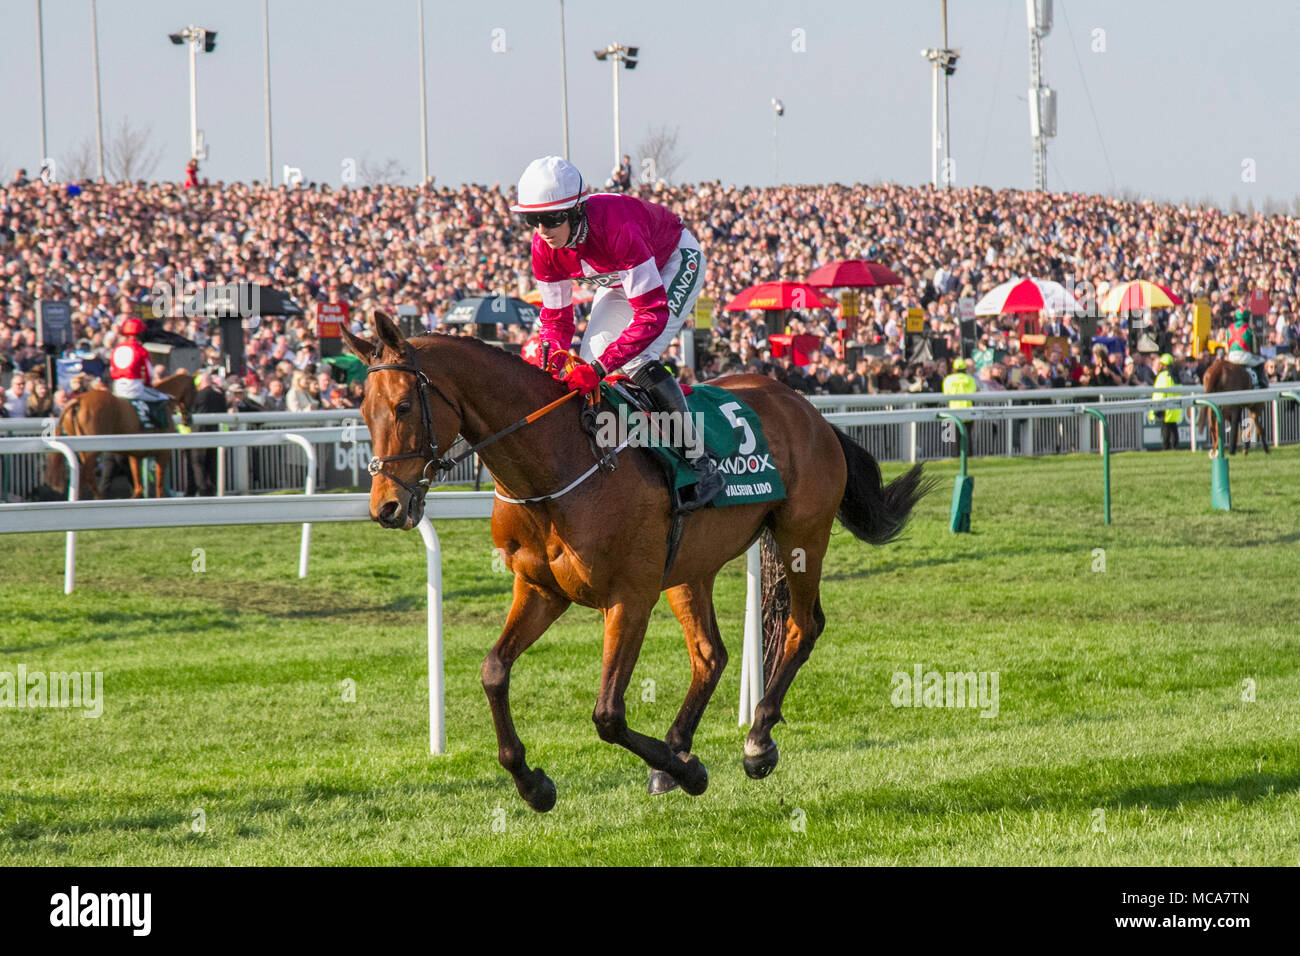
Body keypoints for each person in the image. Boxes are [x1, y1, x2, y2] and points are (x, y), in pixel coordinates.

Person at [512, 155, 723, 510]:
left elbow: (652, 314)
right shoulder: (543, 249)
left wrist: (597, 369)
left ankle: (701, 464)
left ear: (576, 210)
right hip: (620, 278)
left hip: (672, 261)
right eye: (533, 220)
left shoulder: (616, 227)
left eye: (551, 218)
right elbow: (557, 322)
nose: (543, 230)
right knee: (593, 364)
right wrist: (551, 356)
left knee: (633, 357)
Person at [109, 317, 172, 427]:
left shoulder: (117, 348)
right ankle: (153, 425)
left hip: (117, 387)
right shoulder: (140, 349)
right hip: (134, 387)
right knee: (163, 397)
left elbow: (112, 369)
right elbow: (149, 373)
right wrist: (148, 385)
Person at [1148, 353, 1182, 450]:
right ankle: (1175, 447)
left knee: (1166, 429)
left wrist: (1155, 407)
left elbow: (1159, 393)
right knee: (1173, 429)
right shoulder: (1176, 375)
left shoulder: (1163, 376)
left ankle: (1166, 447)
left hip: (1165, 407)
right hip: (1174, 407)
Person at [1225, 309, 1266, 388]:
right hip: (1245, 357)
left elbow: (1227, 346)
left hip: (1231, 357)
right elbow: (1255, 349)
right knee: (1261, 361)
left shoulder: (1228, 328)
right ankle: (1261, 381)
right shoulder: (1249, 329)